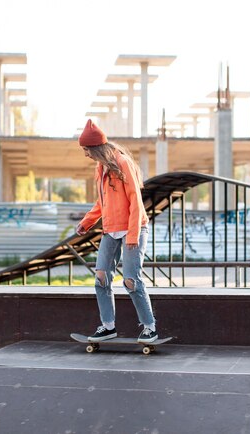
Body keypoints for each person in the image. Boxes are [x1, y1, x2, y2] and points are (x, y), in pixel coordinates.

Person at [76, 119, 158, 344]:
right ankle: (108, 326)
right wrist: (87, 222)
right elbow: (103, 202)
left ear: (95, 148)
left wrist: (132, 234)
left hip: (134, 228)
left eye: (86, 150)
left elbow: (135, 200)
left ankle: (150, 327)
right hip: (110, 230)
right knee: (101, 277)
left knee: (131, 280)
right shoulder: (100, 168)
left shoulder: (123, 163)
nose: (86, 155)